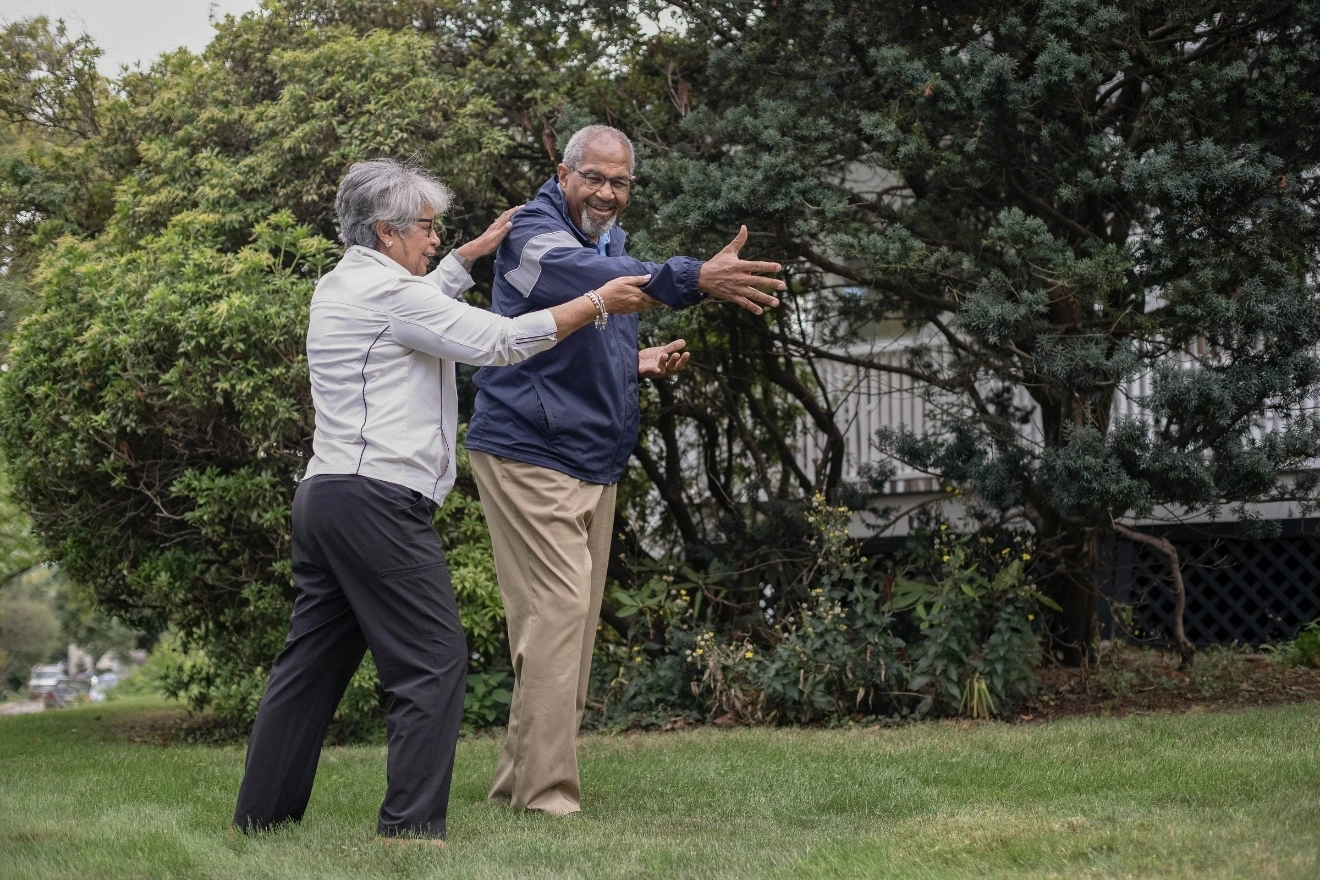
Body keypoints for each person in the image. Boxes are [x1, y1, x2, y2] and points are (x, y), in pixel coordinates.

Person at [231, 157, 658, 843]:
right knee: (433, 660)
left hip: (326, 499)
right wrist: (598, 303)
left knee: (308, 668)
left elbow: (422, 307)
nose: (435, 239)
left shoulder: (344, 285)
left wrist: (467, 257)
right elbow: (499, 341)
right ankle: (409, 831)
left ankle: (259, 820)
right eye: (427, 228)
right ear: (387, 231)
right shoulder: (392, 295)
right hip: (378, 503)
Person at [465, 124, 785, 816]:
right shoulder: (533, 237)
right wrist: (697, 277)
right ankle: (546, 797)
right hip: (529, 448)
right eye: (594, 178)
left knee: (565, 629)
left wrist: (636, 361)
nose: (607, 193)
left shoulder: (605, 238)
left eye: (620, 182)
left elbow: (578, 331)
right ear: (563, 173)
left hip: (593, 455)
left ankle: (516, 784)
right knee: (557, 614)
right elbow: (600, 288)